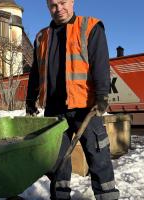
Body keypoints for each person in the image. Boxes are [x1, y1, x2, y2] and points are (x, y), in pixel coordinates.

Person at [26, 0, 120, 199]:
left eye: (62, 2)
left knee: (98, 156)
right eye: (53, 5)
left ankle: (107, 196)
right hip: (54, 109)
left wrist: (102, 95)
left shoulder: (90, 27)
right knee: (58, 162)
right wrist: (30, 99)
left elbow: (100, 64)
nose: (58, 9)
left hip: (85, 107)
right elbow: (36, 71)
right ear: (47, 6)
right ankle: (60, 196)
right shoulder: (41, 36)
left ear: (72, 1)